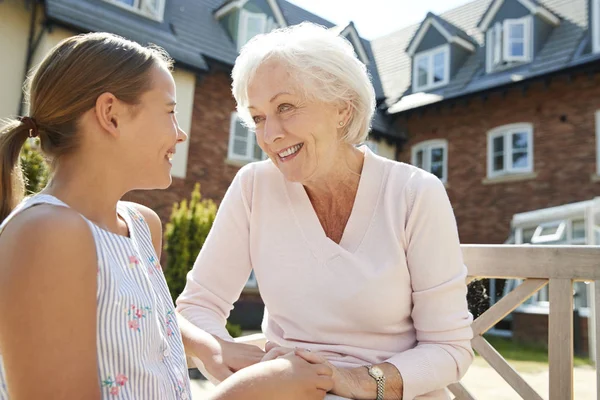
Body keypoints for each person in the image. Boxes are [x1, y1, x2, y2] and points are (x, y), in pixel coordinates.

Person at [0, 32, 333, 400]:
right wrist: (247, 393)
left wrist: (209, 346)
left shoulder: (141, 226)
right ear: (111, 115)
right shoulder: (45, 234)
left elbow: (135, 315)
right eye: (170, 112)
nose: (181, 134)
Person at [176, 22, 474, 400]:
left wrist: (356, 382)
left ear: (342, 110)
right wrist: (218, 349)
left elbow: (450, 349)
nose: (269, 136)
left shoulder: (414, 193)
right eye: (258, 118)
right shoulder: (254, 186)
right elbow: (195, 308)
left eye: (286, 107)